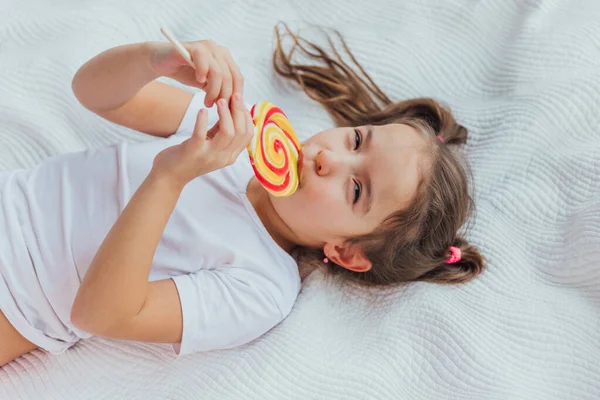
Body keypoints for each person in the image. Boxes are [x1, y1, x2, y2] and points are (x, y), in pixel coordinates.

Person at [0, 24, 485, 366]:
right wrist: (159, 60)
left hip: (18, 303)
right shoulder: (240, 130)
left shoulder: (262, 289)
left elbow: (100, 313)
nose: (329, 158)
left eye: (356, 189)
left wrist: (168, 179)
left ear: (347, 251)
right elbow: (91, 92)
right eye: (356, 140)